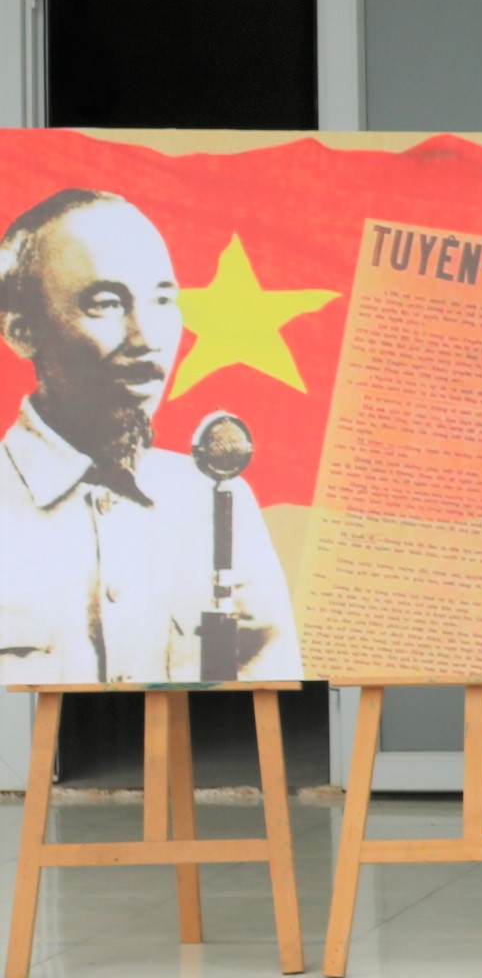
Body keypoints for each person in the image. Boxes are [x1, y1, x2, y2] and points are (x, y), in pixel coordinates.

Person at [0, 189, 302, 686]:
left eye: (163, 299)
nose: (147, 338)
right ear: (21, 331)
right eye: (105, 304)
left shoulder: (215, 500)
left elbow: (270, 703)